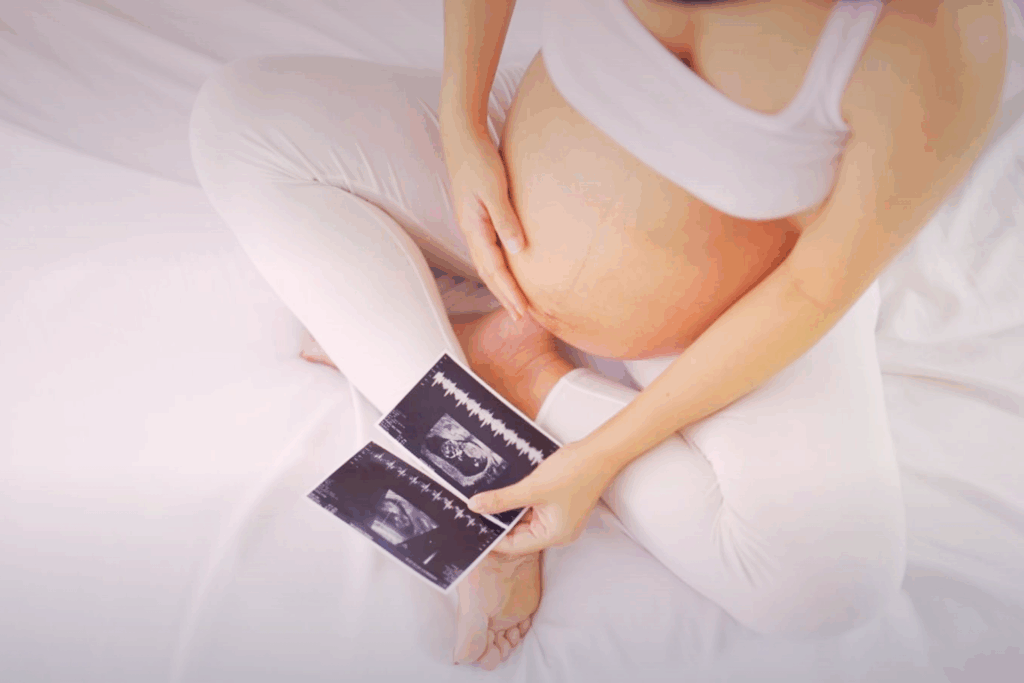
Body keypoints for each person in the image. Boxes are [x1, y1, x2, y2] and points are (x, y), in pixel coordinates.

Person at [188, 0, 1010, 671]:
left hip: (744, 309)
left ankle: (516, 373)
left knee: (830, 584)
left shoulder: (930, 38)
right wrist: (464, 126)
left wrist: (600, 453)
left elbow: (814, 289)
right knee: (239, 114)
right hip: (507, 184)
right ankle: (480, 440)